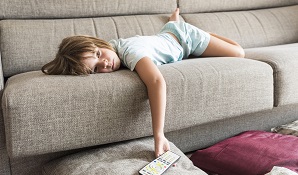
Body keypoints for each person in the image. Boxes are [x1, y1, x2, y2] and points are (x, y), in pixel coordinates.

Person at [42, 8, 245, 158]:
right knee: (167, 31)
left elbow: (156, 81)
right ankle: (173, 21)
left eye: (98, 54)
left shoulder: (131, 51)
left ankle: (191, 28)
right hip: (166, 35)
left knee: (239, 53)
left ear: (97, 43)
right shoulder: (112, 47)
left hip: (185, 39)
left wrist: (158, 135)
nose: (105, 63)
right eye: (96, 68)